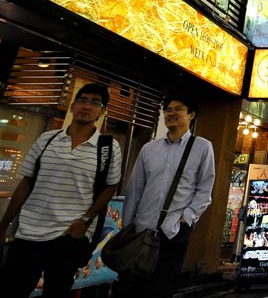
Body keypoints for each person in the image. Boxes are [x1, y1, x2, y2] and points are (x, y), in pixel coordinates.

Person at [0, 83, 122, 298]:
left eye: (95, 103)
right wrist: (4, 225)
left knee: (56, 292)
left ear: (102, 112)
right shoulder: (47, 139)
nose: (87, 106)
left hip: (69, 235)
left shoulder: (109, 147)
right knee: (12, 289)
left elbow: (110, 187)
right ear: (73, 106)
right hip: (29, 231)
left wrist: (85, 219)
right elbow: (26, 183)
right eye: (83, 100)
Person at [117, 94, 216, 298]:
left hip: (173, 232)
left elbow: (204, 190)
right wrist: (128, 227)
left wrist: (185, 219)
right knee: (132, 288)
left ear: (191, 114)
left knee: (161, 289)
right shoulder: (149, 148)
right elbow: (135, 189)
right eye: (167, 109)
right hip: (142, 230)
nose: (171, 113)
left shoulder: (202, 147)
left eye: (178, 108)